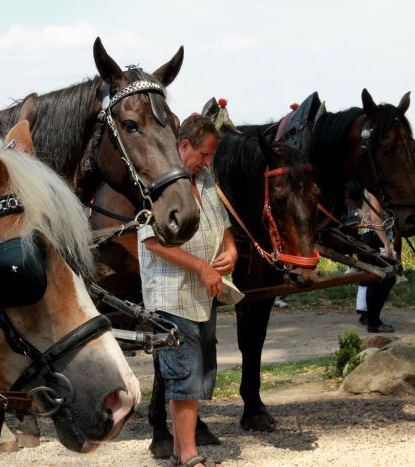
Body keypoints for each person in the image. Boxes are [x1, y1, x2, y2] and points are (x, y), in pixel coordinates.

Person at [138, 114, 237, 467]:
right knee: (183, 372)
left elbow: (221, 221)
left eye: (212, 156)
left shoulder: (205, 176)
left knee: (197, 372)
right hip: (171, 293)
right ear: (183, 146)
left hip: (203, 292)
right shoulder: (156, 177)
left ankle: (183, 454)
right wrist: (201, 266)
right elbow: (151, 241)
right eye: (204, 155)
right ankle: (191, 455)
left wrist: (230, 248)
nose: (208, 163)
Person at [354, 190, 396, 333]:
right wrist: (386, 244)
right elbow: (376, 218)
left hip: (367, 237)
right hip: (373, 237)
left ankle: (367, 315)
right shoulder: (374, 190)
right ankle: (373, 322)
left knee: (373, 279)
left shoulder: (367, 188)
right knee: (383, 279)